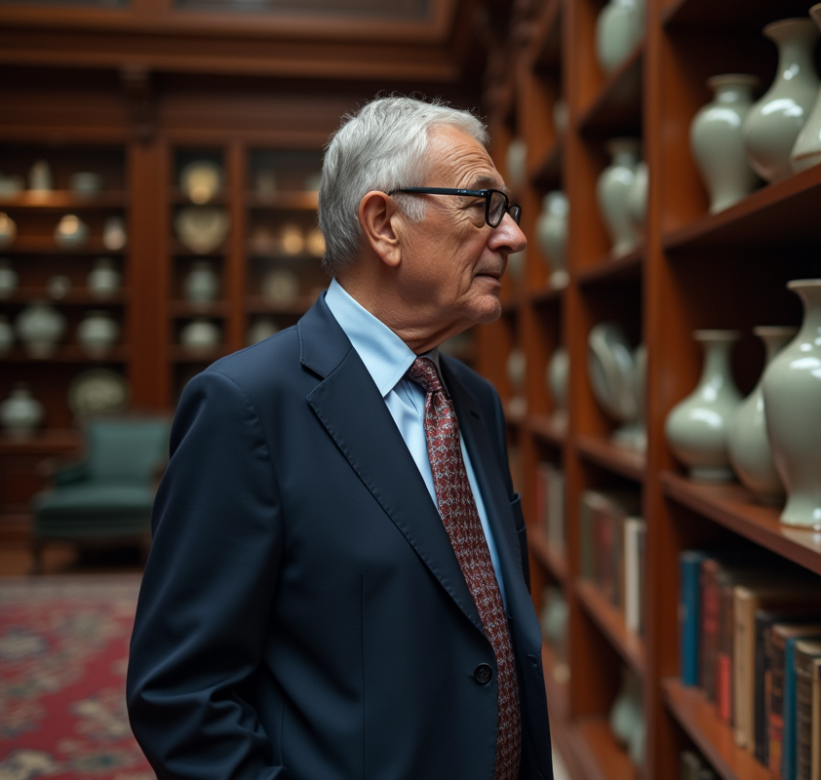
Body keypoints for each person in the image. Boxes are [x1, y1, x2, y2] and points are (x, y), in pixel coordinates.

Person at [127, 96, 553, 780]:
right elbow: (181, 694)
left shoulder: (476, 403)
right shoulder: (245, 407)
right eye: (483, 206)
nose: (513, 238)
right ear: (384, 224)